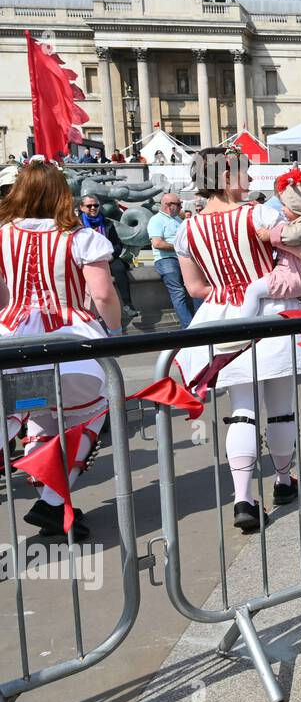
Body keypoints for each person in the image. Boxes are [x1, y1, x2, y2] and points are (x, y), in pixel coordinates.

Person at [173, 149, 301, 532]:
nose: (250, 178)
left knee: (242, 408)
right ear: (224, 177)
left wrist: (229, 292)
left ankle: (243, 497)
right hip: (272, 312)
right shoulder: (260, 215)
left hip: (221, 315)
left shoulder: (185, 229)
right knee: (280, 404)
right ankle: (283, 480)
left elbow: (194, 288)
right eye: (243, 171)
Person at [0, 162, 122, 541]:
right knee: (89, 414)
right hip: (70, 337)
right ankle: (53, 501)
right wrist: (115, 332)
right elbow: (102, 293)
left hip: (12, 337)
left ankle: (54, 504)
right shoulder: (79, 237)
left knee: (36, 414)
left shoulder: (2, 234)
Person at [237, 170, 301, 318]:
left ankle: (243, 326)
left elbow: (296, 237)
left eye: (287, 207)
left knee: (253, 290)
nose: (282, 209)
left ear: (299, 209)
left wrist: (271, 235)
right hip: (294, 275)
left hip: (292, 276)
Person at [79, 195, 138, 326]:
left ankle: (128, 305)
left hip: (108, 257)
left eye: (96, 205)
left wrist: (111, 256)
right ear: (82, 208)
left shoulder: (107, 223)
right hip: (85, 261)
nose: (93, 208)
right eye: (89, 206)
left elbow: (118, 244)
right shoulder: (77, 224)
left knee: (120, 268)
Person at [148, 192, 198, 327]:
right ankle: (189, 327)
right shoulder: (156, 220)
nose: (181, 207)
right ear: (168, 205)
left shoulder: (177, 219)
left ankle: (200, 322)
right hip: (166, 259)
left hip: (183, 257)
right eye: (179, 204)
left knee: (196, 288)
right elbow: (157, 243)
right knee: (179, 293)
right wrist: (179, 247)